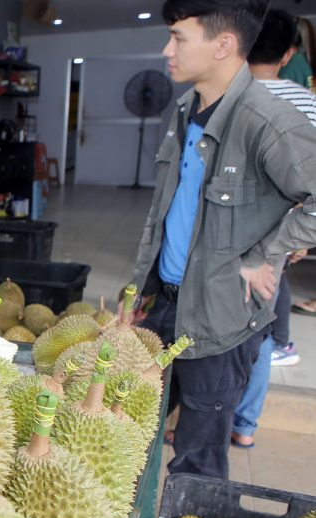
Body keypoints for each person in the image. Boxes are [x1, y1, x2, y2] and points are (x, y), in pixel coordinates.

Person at [133, 0, 316, 479]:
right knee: (127, 427)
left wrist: (265, 254)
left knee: (196, 457)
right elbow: (164, 212)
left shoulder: (267, 121)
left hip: (221, 319)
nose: (166, 49)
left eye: (178, 37)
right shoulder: (182, 109)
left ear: (224, 44)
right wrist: (138, 290)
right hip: (166, 305)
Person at [231, 8, 316, 449]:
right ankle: (244, 425)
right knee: (260, 326)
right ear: (286, 54)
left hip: (229, 231)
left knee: (223, 324)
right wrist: (293, 237)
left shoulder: (232, 99)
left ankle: (210, 414)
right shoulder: (306, 101)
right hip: (279, 234)